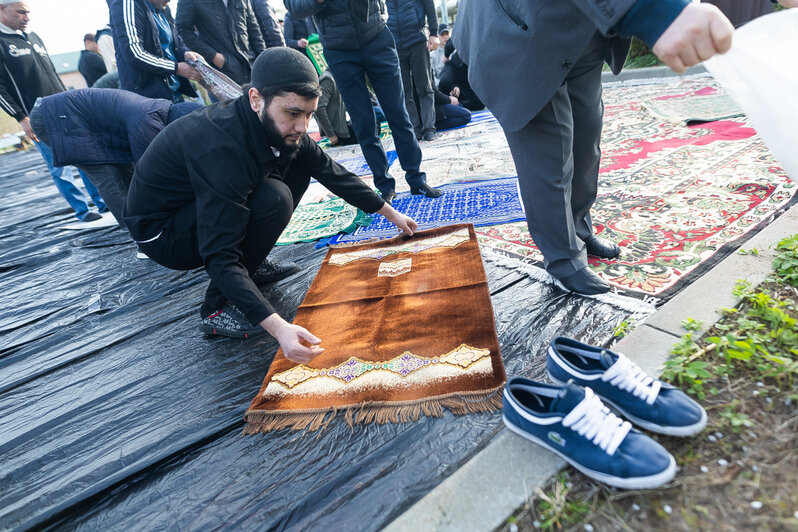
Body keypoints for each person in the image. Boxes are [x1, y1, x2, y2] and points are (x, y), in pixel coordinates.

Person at [123, 48, 417, 359]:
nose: (303, 126)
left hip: (192, 207)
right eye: (293, 114)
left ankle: (252, 261)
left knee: (297, 168)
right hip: (163, 234)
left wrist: (389, 213)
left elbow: (330, 170)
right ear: (255, 99)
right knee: (273, 200)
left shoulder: (272, 126)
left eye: (309, 114)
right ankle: (213, 308)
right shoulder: (222, 149)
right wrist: (279, 328)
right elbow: (219, 255)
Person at [455, 0, 735, 294]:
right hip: (524, 29)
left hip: (584, 28)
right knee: (549, 153)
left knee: (586, 138)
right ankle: (564, 260)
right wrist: (652, 10)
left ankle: (579, 229)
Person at [285, 0, 441, 205]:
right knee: (363, 123)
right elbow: (295, 8)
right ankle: (384, 186)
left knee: (399, 114)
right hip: (338, 48)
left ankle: (416, 178)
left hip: (377, 37)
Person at [29, 88, 202, 229]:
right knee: (109, 175)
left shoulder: (159, 110)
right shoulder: (147, 120)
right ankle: (141, 235)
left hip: (74, 117)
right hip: (54, 118)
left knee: (126, 170)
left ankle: (144, 222)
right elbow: (150, 172)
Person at [0, 0, 107, 222]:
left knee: (85, 155)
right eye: (21, 13)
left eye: (28, 13)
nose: (27, 17)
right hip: (36, 116)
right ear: (2, 10)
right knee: (59, 166)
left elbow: (52, 74)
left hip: (63, 108)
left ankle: (102, 202)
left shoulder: (35, 37)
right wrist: (21, 117)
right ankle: (82, 211)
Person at [108, 0, 202, 102]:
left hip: (174, 93)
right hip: (148, 100)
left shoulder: (163, 7)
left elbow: (176, 42)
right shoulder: (126, 4)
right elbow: (135, 53)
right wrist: (176, 68)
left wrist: (184, 53)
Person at [175, 0, 266, 86]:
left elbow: (254, 30)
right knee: (233, 102)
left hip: (251, 65)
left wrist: (265, 60)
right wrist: (213, 56)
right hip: (223, 73)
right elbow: (183, 30)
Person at [386, 0, 440, 141]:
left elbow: (429, 4)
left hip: (416, 39)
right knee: (404, 91)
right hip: (394, 44)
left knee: (425, 87)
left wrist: (434, 32)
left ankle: (429, 128)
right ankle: (414, 129)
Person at [437, 36, 483, 111]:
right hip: (455, 66)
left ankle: (456, 104)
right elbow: (456, 37)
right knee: (444, 83)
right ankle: (447, 103)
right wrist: (446, 54)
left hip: (467, 75)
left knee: (479, 103)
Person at [316, 67, 357, 146]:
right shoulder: (327, 79)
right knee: (371, 130)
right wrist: (331, 135)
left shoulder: (335, 77)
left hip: (342, 124)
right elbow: (319, 109)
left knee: (372, 125)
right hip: (338, 131)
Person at [429, 22, 448, 86]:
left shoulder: (455, 52)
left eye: (447, 34)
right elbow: (433, 77)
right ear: (438, 36)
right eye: (442, 34)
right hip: (440, 87)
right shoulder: (432, 55)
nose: (445, 36)